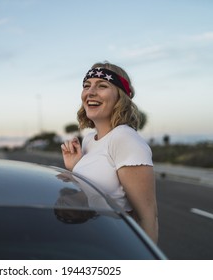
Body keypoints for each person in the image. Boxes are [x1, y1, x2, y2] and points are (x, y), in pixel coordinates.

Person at [61, 61, 158, 243]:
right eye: (86, 85)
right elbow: (96, 195)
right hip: (89, 238)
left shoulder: (125, 139)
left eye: (102, 85)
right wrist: (76, 166)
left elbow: (148, 217)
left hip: (113, 244)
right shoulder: (90, 139)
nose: (90, 92)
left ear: (120, 96)